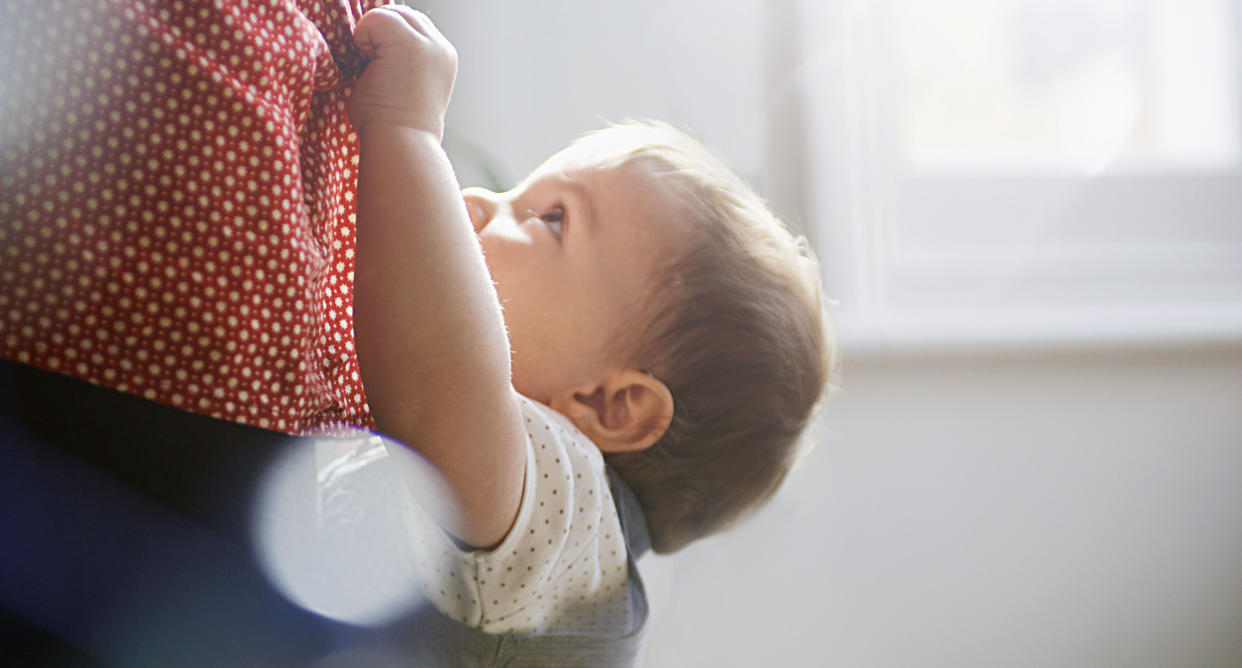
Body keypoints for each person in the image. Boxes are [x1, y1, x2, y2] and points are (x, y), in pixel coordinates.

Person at [343, 5, 836, 637]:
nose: (475, 201)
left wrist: (406, 129)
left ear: (611, 405)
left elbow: (437, 390)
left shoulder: (567, 516)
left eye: (551, 218)